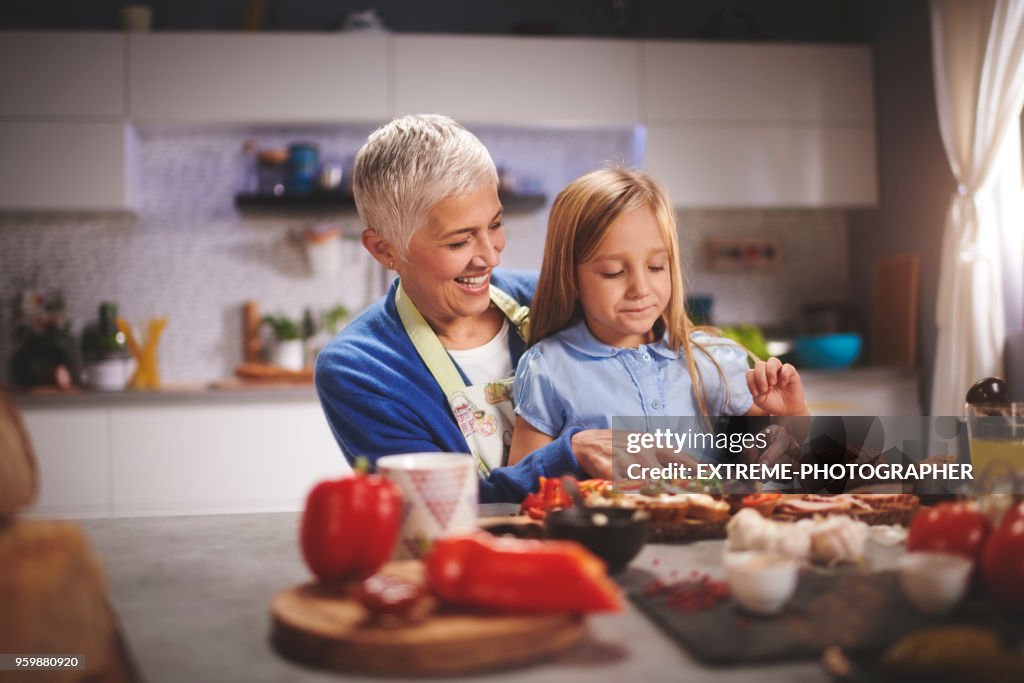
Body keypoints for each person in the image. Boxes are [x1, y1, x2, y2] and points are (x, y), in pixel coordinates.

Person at [314, 114, 611, 503]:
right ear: (384, 249)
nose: (489, 256)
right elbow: (437, 506)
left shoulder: (555, 301)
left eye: (496, 224)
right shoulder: (360, 370)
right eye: (459, 243)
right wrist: (571, 454)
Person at [508, 167, 809, 465]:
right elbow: (524, 481)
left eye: (655, 267)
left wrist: (790, 415)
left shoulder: (712, 359)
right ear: (570, 278)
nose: (640, 288)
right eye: (614, 272)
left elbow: (771, 467)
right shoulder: (547, 368)